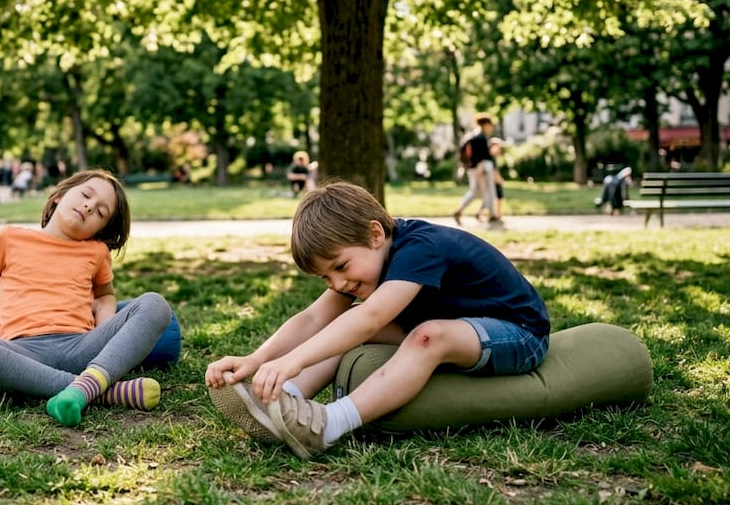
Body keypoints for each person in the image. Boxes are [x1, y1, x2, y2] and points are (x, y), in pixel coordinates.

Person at [205, 181, 550, 458]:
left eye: (340, 267)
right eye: (326, 277)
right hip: (461, 327)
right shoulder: (368, 256)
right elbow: (313, 318)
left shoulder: (420, 247)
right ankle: (284, 403)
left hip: (517, 334)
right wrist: (258, 359)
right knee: (345, 324)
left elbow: (371, 318)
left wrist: (294, 359)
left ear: (375, 235)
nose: (338, 283)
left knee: (428, 335)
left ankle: (329, 424)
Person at [0, 170, 173, 427]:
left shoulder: (96, 252)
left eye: (101, 212)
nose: (89, 206)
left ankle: (87, 384)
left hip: (81, 348)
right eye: (86, 195)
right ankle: (98, 391)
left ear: (101, 228)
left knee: (155, 304)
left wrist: (105, 327)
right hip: (22, 353)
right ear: (59, 195)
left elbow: (105, 297)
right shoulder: (9, 238)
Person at [452, 114, 498, 225]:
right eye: (490, 125)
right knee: (488, 191)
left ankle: (474, 212)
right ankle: (490, 214)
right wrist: (480, 168)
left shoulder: (470, 136)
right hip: (481, 169)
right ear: (485, 124)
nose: (491, 127)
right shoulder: (480, 137)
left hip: (472, 168)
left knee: (476, 192)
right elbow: (483, 156)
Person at [478, 138, 506, 222]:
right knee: (497, 197)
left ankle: (491, 213)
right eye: (498, 147)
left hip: (493, 180)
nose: (499, 150)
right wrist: (499, 180)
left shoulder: (492, 158)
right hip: (492, 181)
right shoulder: (488, 157)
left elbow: (495, 170)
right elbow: (493, 171)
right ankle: (496, 214)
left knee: (493, 198)